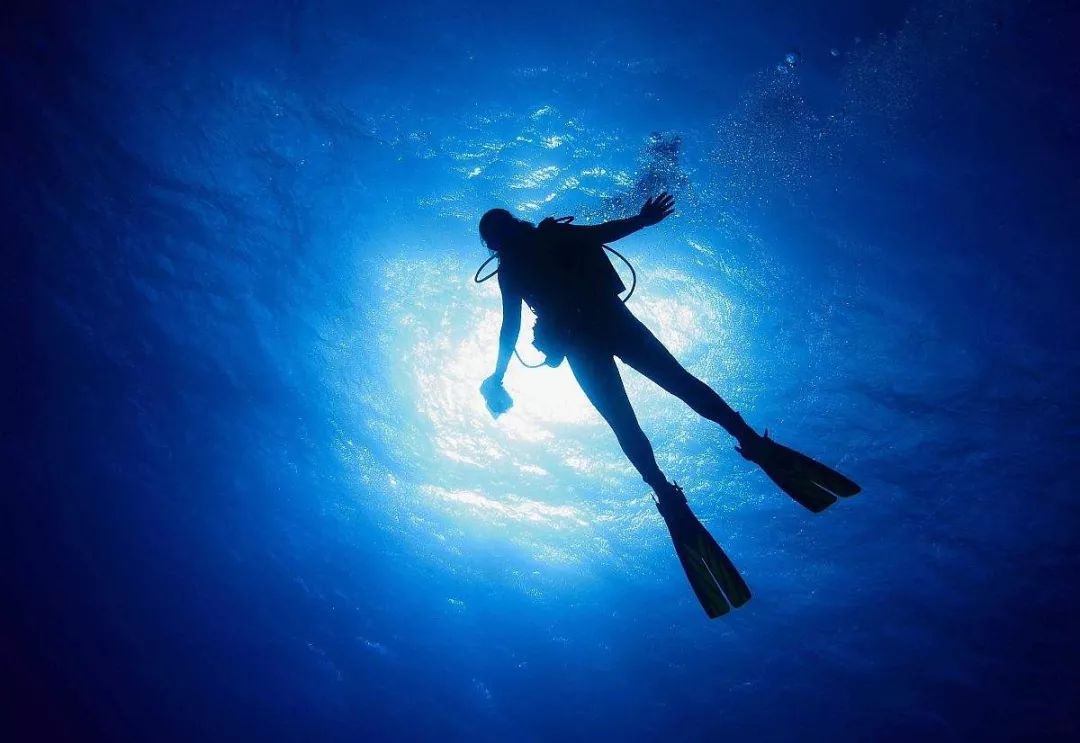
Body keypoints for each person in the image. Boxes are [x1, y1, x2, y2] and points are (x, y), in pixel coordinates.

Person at [476, 194, 860, 617]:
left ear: (494, 243)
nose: (502, 240)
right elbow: (596, 240)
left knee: (642, 410)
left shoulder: (531, 253)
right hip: (600, 330)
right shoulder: (535, 250)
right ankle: (736, 446)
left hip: (589, 337)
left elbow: (519, 316)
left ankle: (685, 478)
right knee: (661, 397)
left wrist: (499, 375)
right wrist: (642, 220)